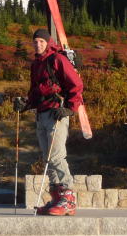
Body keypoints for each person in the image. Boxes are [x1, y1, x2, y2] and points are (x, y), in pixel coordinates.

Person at [14, 28, 83, 216]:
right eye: (35, 41)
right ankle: (56, 196)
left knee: (56, 156)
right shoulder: (36, 64)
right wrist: (25, 104)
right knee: (47, 159)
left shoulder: (57, 59)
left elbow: (76, 84)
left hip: (56, 114)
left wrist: (70, 107)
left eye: (41, 42)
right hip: (41, 114)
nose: (38, 44)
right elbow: (35, 91)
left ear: (48, 42)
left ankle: (68, 198)